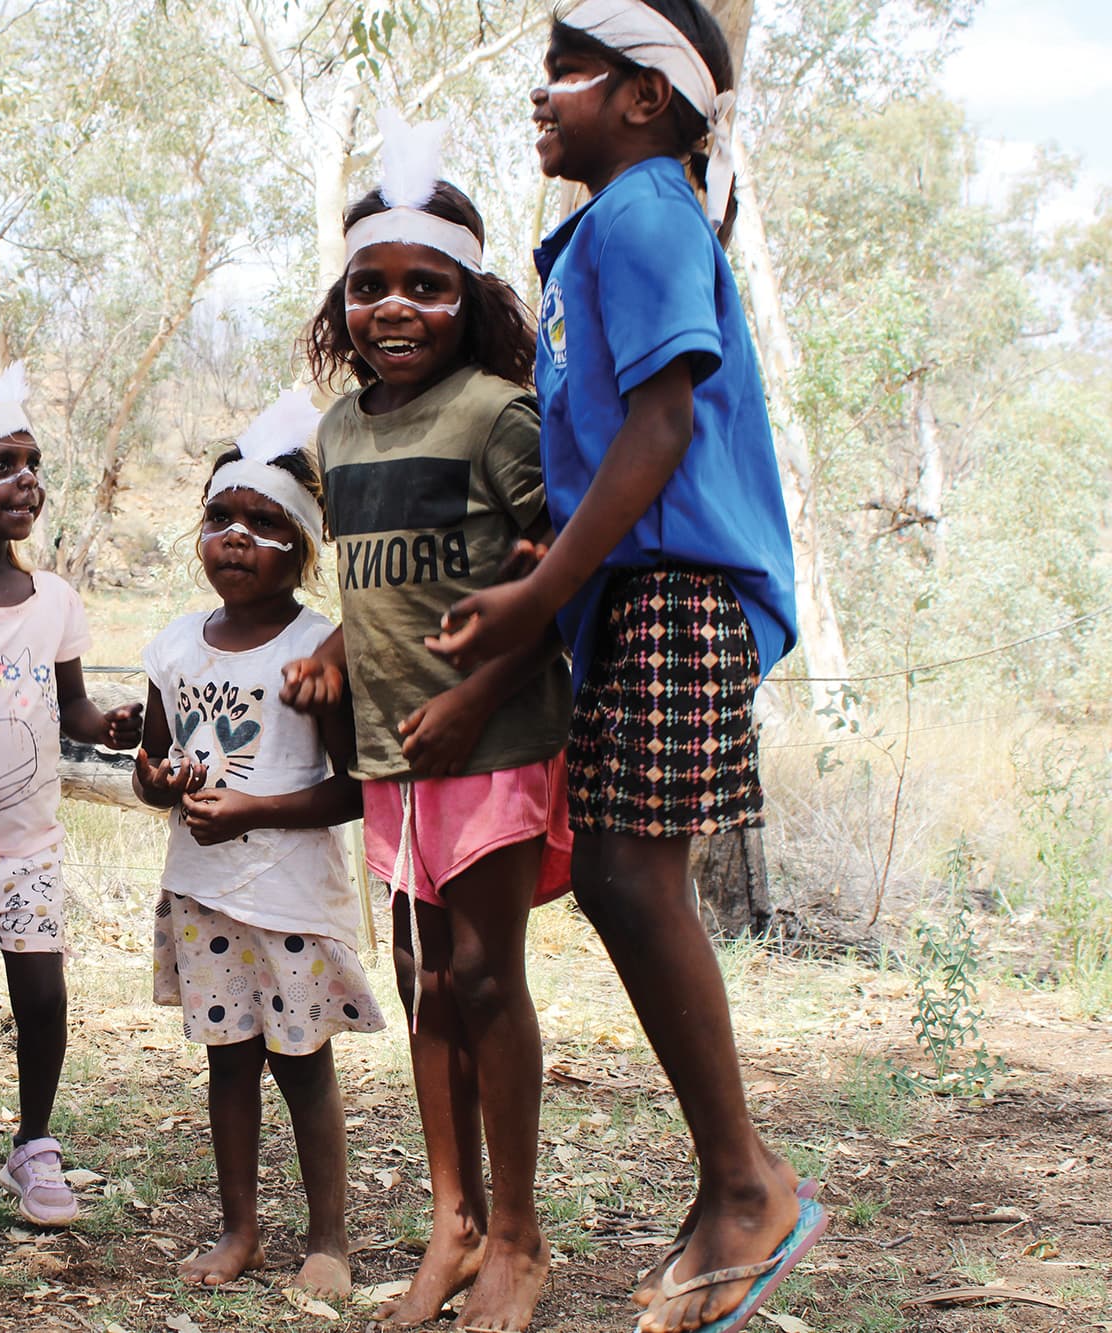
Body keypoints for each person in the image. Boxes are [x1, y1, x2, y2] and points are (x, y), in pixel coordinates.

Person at [432, 4, 825, 1332]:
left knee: (623, 871)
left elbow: (663, 420)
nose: (541, 98)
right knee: (615, 871)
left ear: (649, 99)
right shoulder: (608, 227)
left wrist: (544, 586)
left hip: (681, 584)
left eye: (569, 76)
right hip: (639, 590)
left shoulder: (647, 210)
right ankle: (735, 1179)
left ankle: (745, 1182)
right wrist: (547, 581)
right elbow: (610, 439)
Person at [279, 107, 573, 1333]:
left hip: (488, 742)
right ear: (340, 305)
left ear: (471, 297)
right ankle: (450, 1222)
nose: (393, 309)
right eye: (369, 287)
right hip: (393, 755)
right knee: (419, 981)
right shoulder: (337, 431)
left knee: (484, 979)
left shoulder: (500, 412)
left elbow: (552, 563)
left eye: (424, 286)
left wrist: (474, 692)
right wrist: (349, 640)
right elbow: (383, 570)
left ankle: (518, 1237)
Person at [136, 392, 384, 1302]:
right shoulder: (171, 646)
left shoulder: (322, 648)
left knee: (300, 1063)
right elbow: (150, 764)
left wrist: (252, 810)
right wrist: (160, 782)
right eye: (220, 517)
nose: (236, 537)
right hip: (202, 893)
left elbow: (355, 788)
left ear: (306, 545)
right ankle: (239, 1226)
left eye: (264, 524)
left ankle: (329, 1239)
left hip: (286, 896)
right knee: (228, 1060)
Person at [0, 364, 144, 1236]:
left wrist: (108, 723)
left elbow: (71, 702)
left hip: (33, 840)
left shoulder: (55, 599)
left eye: (31, 461)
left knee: (42, 997)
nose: (25, 481)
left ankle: (33, 1142)